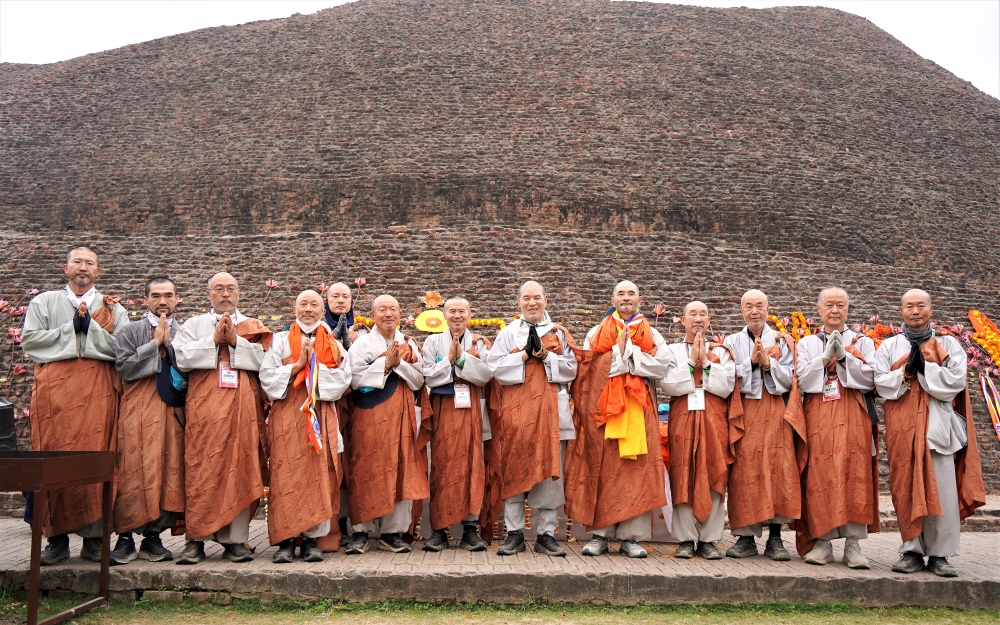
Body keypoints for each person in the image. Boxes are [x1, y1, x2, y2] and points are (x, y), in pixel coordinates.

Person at [22, 247, 130, 565]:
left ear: (99, 272)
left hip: (98, 393)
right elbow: (30, 340)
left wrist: (90, 329)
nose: (83, 268)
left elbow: (122, 347)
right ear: (65, 267)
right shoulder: (44, 302)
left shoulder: (111, 307)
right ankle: (56, 540)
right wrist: (72, 329)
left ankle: (95, 540)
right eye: (77, 262)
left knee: (95, 459)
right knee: (54, 459)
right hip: (54, 395)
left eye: (89, 263)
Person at [874, 289, 985, 577]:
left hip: (937, 428)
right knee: (905, 488)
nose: (915, 311)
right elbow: (880, 382)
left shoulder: (948, 343)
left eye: (920, 305)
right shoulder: (890, 346)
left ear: (930, 308)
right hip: (903, 428)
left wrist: (924, 368)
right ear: (901, 311)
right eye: (909, 306)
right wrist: (904, 373)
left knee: (943, 491)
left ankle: (940, 555)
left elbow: (956, 379)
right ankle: (911, 550)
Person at [172, 272, 272, 563]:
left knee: (240, 467)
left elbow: (266, 361)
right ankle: (196, 540)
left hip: (242, 411)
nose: (225, 294)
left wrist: (237, 343)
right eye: (219, 289)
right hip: (204, 411)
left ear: (239, 293)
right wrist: (215, 341)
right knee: (202, 468)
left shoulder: (252, 326)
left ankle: (236, 541)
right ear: (208, 294)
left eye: (231, 288)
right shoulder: (194, 325)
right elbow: (181, 358)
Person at [565, 281, 668, 558]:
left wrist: (629, 354)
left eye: (631, 293)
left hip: (639, 408)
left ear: (639, 299)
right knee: (604, 468)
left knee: (635, 471)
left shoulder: (652, 333)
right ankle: (600, 535)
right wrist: (619, 357)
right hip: (605, 410)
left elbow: (662, 366)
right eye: (620, 294)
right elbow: (587, 368)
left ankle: (630, 538)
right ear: (613, 298)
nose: (626, 298)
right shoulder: (597, 332)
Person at [485, 280, 578, 557]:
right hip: (517, 415)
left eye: (537, 297)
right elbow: (496, 368)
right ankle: (514, 533)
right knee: (514, 471)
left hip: (552, 416)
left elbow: (572, 369)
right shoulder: (508, 333)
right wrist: (525, 355)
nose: (532, 303)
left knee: (550, 476)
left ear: (546, 299)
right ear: (519, 302)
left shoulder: (558, 333)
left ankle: (546, 534)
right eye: (526, 298)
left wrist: (547, 356)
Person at [259, 290, 352, 562]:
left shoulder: (333, 344)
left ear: (323, 311)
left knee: (317, 473)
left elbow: (343, 379)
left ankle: (312, 540)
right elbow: (266, 378)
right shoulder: (279, 340)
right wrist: (297, 366)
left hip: (320, 415)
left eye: (314, 304)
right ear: (294, 308)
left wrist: (312, 372)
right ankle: (286, 540)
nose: (308, 309)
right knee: (285, 473)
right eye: (303, 304)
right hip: (288, 414)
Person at [794, 287, 878, 569]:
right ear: (818, 309)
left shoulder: (862, 342)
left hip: (853, 412)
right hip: (819, 414)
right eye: (828, 305)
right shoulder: (807, 343)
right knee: (820, 473)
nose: (834, 310)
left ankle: (853, 546)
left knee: (855, 471)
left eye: (840, 305)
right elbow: (803, 381)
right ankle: (823, 542)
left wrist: (844, 358)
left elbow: (870, 379)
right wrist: (823, 358)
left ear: (847, 309)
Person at [342, 295, 429, 554]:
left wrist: (398, 363)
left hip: (400, 418)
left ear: (400, 313)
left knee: (399, 466)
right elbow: (354, 380)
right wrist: (383, 364)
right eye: (382, 309)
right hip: (368, 416)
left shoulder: (409, 344)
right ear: (373, 314)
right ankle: (360, 531)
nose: (388, 313)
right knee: (365, 466)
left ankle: (392, 533)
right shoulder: (361, 344)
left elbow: (419, 381)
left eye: (393, 308)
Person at [110, 277, 185, 565]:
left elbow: (192, 367)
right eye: (156, 295)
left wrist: (172, 347)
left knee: (169, 468)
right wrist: (154, 344)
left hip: (171, 413)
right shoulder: (131, 331)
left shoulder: (185, 331)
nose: (162, 301)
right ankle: (125, 537)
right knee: (133, 468)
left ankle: (154, 538)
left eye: (168, 295)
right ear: (145, 300)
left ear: (178, 299)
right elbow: (124, 368)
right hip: (137, 412)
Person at [722, 290, 803, 561]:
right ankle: (745, 538)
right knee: (745, 471)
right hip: (745, 412)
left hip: (776, 410)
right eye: (748, 306)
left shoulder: (784, 340)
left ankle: (776, 538)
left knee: (779, 469)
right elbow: (727, 378)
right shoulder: (732, 343)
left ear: (769, 308)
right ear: (741, 311)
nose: (754, 311)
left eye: (759, 305)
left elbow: (792, 379)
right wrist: (750, 364)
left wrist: (768, 364)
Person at [658, 301, 740, 560]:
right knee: (683, 472)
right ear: (682, 320)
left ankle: (708, 539)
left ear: (709, 319)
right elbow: (668, 385)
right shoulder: (672, 351)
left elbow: (727, 385)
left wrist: (706, 361)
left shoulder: (722, 351)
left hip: (714, 419)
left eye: (702, 314)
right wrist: (692, 362)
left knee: (714, 473)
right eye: (692, 314)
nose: (697, 318)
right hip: (684, 417)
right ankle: (685, 538)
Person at [418, 297, 491, 552]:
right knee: (441, 465)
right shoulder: (432, 341)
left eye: (462, 311)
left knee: (472, 462)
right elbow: (425, 375)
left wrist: (462, 361)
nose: (457, 315)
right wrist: (448, 359)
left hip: (469, 407)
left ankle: (470, 530)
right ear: (444, 315)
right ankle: (439, 530)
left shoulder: (479, 342)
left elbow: (485, 376)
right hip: (443, 409)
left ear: (470, 315)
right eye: (452, 311)